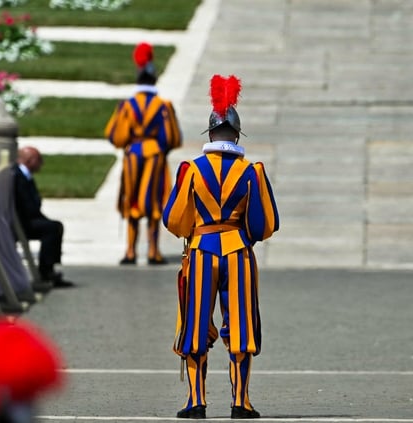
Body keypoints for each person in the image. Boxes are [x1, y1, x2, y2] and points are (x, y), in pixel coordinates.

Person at [163, 74, 279, 419]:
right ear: (237, 134)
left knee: (195, 324)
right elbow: (265, 224)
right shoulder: (251, 171)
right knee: (241, 326)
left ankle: (195, 400)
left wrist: (198, 228)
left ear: (210, 134)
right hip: (238, 252)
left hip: (201, 250)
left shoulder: (193, 169)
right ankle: (240, 401)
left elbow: (175, 219)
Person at [104, 42, 183, 265]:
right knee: (154, 203)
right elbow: (172, 138)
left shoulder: (127, 105)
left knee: (133, 202)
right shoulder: (163, 105)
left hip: (133, 155)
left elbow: (115, 135)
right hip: (155, 155)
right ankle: (153, 251)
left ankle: (130, 250)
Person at [12, 146, 73, 288]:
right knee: (51, 229)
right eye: (39, 160)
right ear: (30, 160)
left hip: (27, 219)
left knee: (55, 226)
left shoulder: (24, 175)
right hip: (21, 223)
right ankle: (46, 271)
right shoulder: (18, 177)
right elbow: (27, 206)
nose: (42, 164)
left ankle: (49, 267)